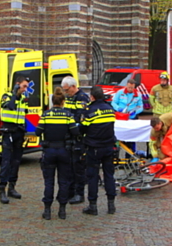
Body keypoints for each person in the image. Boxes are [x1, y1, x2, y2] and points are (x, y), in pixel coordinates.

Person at [35, 87, 80, 220]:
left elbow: (38, 132)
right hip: (64, 151)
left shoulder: (46, 115)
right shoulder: (68, 115)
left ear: (52, 101)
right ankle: (62, 210)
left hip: (49, 151)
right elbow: (75, 132)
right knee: (63, 182)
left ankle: (47, 210)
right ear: (63, 102)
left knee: (49, 182)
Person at [80, 86, 118, 215]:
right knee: (109, 175)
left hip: (94, 148)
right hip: (108, 147)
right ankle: (111, 205)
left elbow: (82, 129)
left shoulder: (90, 111)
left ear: (92, 97)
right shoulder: (110, 110)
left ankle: (93, 206)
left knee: (92, 177)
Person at [0, 76, 30, 204]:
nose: (25, 89)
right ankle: (2, 189)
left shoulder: (23, 99)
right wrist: (15, 94)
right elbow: (10, 107)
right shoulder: (7, 96)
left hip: (18, 133)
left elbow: (24, 114)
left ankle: (12, 187)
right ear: (17, 85)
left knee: (16, 162)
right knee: (6, 161)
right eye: (24, 86)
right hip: (8, 132)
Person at [61, 76, 90, 205]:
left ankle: (79, 194)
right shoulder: (69, 97)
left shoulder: (82, 98)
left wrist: (69, 121)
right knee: (69, 167)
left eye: (67, 90)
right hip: (69, 136)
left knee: (78, 167)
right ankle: (70, 192)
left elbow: (80, 117)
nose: (66, 93)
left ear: (73, 87)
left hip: (78, 137)